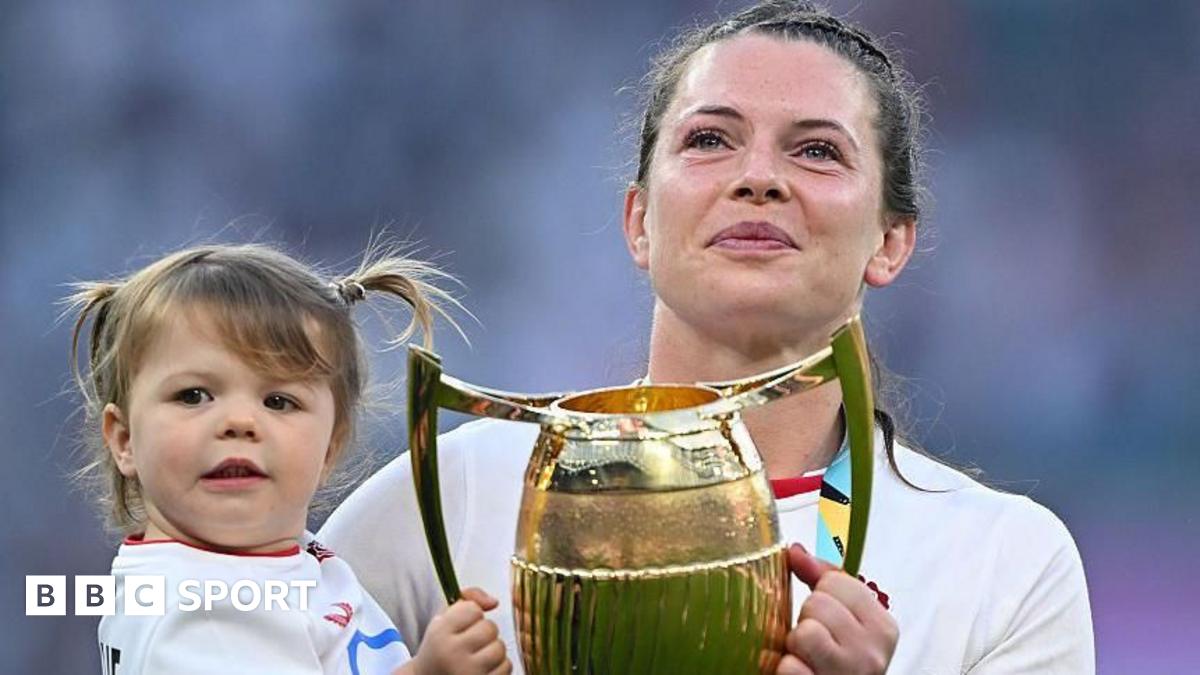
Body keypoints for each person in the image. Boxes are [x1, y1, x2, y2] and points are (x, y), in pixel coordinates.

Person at [320, 2, 1094, 673]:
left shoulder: (1003, 564)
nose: (758, 177)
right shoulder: (453, 494)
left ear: (890, 242)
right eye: (710, 140)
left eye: (816, 150)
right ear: (639, 222)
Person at [67, 243, 512, 675]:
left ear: (330, 447)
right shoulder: (201, 618)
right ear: (124, 440)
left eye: (278, 401)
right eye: (194, 395)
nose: (240, 422)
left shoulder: (264, 565)